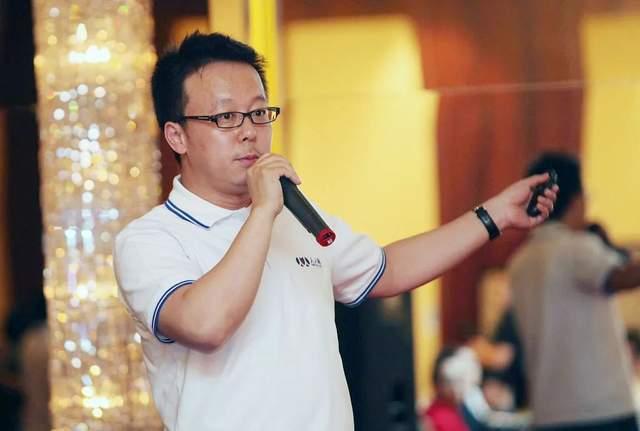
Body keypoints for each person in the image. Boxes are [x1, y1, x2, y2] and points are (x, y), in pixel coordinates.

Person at [113, 32, 557, 431]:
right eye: (226, 117)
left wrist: (494, 216)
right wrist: (263, 212)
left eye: (259, 113)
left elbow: (387, 270)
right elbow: (205, 324)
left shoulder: (294, 218)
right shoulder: (151, 240)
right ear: (177, 136)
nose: (249, 132)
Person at [509, 152, 640, 431]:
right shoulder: (575, 248)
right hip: (600, 410)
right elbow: (623, 277)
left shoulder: (519, 263)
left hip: (547, 413)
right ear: (577, 200)